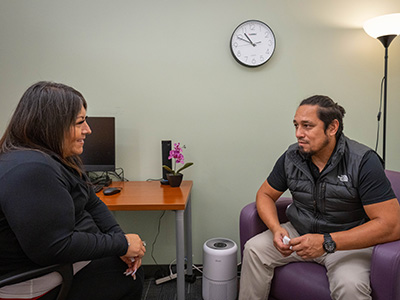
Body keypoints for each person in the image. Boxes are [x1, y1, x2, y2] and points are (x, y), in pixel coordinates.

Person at [239, 95, 400, 300]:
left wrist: (326, 242)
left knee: (350, 286)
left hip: (348, 242)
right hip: (300, 233)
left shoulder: (364, 162)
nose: (299, 134)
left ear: (332, 127)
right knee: (254, 250)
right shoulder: (292, 157)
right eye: (296, 125)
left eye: (307, 126)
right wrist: (276, 228)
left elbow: (392, 224)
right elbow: (265, 194)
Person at [0, 81, 146, 300]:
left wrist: (119, 239)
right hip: (34, 278)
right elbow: (53, 246)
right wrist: (122, 244)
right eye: (80, 122)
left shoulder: (57, 159)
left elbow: (91, 201)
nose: (88, 130)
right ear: (52, 126)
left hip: (62, 261)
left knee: (124, 266)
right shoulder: (30, 170)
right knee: (127, 276)